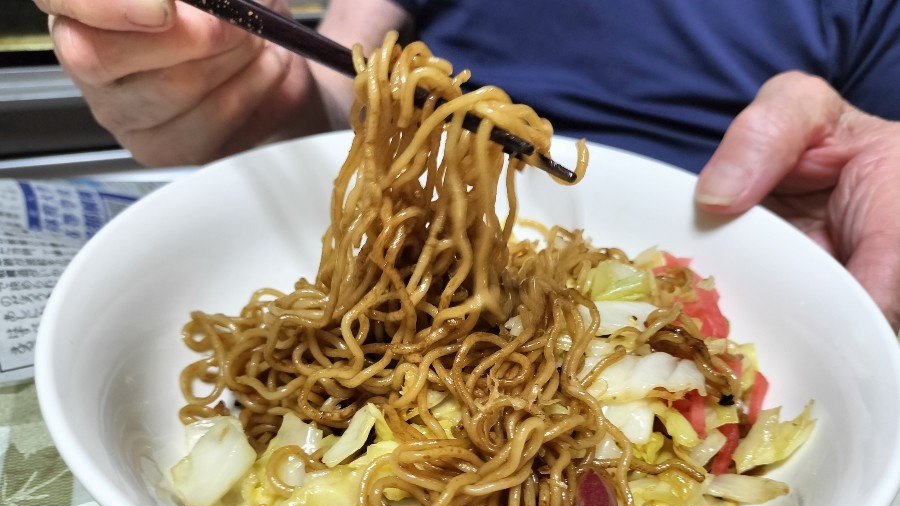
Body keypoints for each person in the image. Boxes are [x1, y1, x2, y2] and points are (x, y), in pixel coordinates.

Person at [33, 0, 900, 330]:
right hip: (415, 236)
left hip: (729, 252)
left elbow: (876, 148)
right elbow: (347, 81)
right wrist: (264, 105)